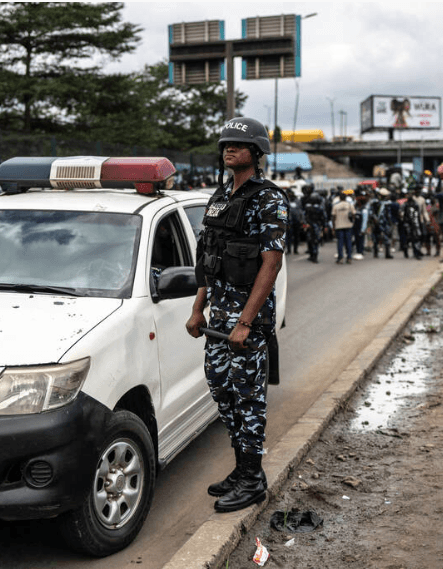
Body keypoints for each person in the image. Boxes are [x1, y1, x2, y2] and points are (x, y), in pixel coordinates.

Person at [185, 117, 287, 513]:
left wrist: (246, 322)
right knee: (221, 391)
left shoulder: (269, 199)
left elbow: (270, 264)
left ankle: (251, 478)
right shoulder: (220, 196)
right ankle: (243, 466)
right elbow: (208, 259)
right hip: (217, 321)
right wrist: (198, 307)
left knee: (249, 399)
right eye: (225, 143)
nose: (229, 149)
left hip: (247, 323)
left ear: (256, 152)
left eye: (238, 144)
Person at [331, 190, 356, 264]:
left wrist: (333, 227)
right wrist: (353, 222)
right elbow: (354, 214)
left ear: (339, 198)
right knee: (348, 242)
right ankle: (349, 258)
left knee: (340, 243)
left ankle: (340, 258)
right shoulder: (349, 205)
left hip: (339, 226)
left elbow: (333, 217)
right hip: (348, 226)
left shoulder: (335, 206)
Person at [370, 188, 394, 259]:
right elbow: (372, 213)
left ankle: (383, 253)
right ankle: (379, 253)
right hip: (380, 223)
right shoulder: (376, 203)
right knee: (378, 238)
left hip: (382, 223)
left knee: (382, 238)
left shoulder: (385, 203)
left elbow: (388, 214)